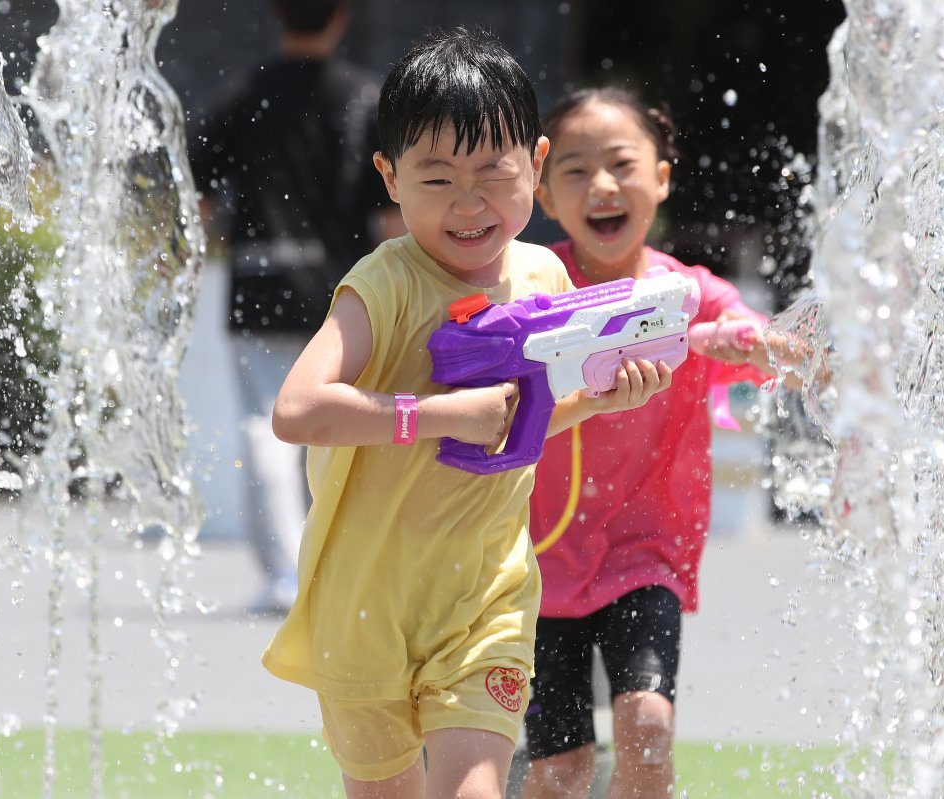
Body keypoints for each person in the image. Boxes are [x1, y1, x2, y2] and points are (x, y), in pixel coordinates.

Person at [261, 30, 673, 798]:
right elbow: (297, 409)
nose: (470, 204)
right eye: (438, 178)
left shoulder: (544, 276)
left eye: (493, 172)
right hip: (367, 606)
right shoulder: (382, 285)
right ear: (389, 176)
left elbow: (517, 420)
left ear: (536, 164)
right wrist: (437, 415)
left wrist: (595, 400)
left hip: (484, 598)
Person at [522, 87, 811, 799]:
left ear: (661, 178)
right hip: (532, 562)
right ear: (543, 194)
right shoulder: (530, 287)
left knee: (647, 726)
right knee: (560, 770)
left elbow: (759, 339)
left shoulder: (690, 295)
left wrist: (773, 346)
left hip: (644, 555)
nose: (602, 185)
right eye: (576, 170)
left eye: (622, 163)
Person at [188, 0, 403, 615]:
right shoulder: (363, 97)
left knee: (267, 427)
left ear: (276, 16)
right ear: (341, 17)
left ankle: (285, 573)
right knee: (349, 424)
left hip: (258, 279)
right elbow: (388, 213)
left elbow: (195, 188)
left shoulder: (244, 94)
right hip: (344, 290)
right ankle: (344, 564)